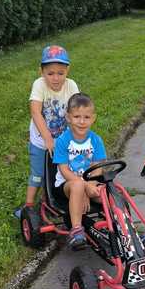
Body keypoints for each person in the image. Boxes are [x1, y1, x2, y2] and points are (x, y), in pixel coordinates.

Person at [14, 45, 79, 219]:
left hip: (62, 142)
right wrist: (47, 138)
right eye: (50, 73)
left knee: (58, 173)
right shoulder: (39, 85)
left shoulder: (71, 85)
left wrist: (77, 135)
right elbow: (35, 112)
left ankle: (49, 200)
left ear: (67, 70)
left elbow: (76, 110)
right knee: (38, 174)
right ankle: (28, 207)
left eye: (60, 73)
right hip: (41, 141)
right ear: (41, 71)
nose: (56, 78)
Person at [53, 93, 107, 249]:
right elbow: (64, 170)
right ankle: (76, 230)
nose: (82, 122)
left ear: (93, 118)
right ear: (68, 117)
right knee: (77, 186)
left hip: (90, 182)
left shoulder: (96, 140)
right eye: (77, 117)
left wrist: (90, 185)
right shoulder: (63, 141)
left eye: (86, 117)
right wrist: (83, 187)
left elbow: (97, 167)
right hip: (66, 185)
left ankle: (124, 229)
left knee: (110, 192)